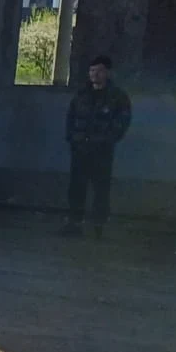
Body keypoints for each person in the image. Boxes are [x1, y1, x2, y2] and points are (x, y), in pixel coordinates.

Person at [61, 55, 132, 238]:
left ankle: (98, 225)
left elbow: (122, 122)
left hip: (102, 150)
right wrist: (73, 139)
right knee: (77, 187)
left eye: (99, 71)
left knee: (101, 188)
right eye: (92, 70)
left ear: (107, 73)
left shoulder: (117, 97)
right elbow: (71, 117)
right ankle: (74, 223)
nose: (94, 74)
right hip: (80, 148)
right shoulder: (82, 95)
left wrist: (107, 140)